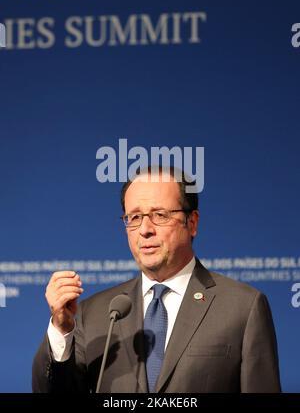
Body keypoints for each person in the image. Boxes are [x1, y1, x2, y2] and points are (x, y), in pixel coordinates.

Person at [32, 166, 281, 393]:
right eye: (135, 217)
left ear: (192, 222)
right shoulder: (95, 313)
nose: (145, 229)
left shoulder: (242, 308)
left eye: (159, 215)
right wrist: (62, 330)